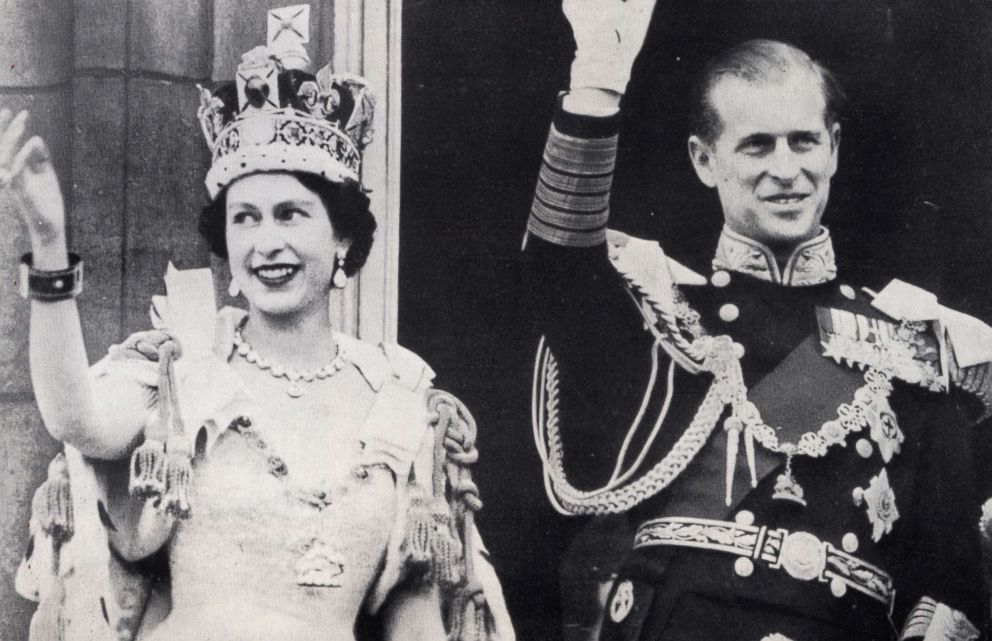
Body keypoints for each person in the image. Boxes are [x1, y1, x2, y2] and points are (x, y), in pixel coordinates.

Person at [5, 7, 511, 641]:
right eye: (245, 218)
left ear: (344, 240)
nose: (266, 242)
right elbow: (74, 417)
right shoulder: (180, 374)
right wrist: (49, 244)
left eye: (291, 214)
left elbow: (412, 617)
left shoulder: (396, 397)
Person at [524, 0, 992, 639]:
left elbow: (951, 582)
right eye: (756, 146)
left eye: (803, 141)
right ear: (704, 159)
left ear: (833, 148)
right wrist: (596, 85)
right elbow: (557, 274)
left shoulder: (912, 345)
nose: (785, 170)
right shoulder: (664, 313)